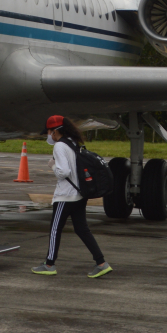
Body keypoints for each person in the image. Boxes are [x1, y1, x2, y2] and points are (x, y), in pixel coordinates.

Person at [31, 115, 112, 278]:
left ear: (55, 131)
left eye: (48, 132)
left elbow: (63, 172)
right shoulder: (72, 143)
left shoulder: (60, 146)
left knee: (55, 229)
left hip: (65, 196)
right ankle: (101, 263)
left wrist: (53, 165)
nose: (48, 135)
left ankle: (49, 264)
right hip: (79, 194)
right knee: (82, 229)